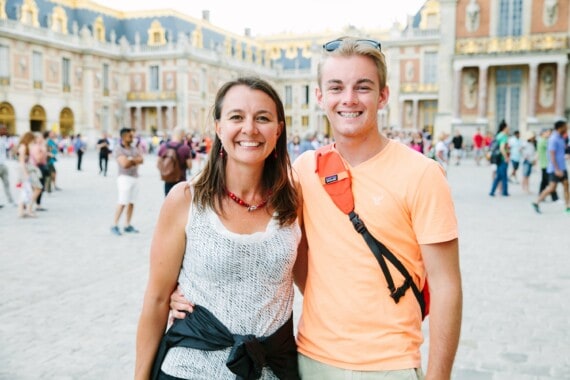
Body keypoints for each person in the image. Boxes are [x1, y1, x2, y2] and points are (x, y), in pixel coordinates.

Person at [172, 37, 462, 379]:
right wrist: (185, 289)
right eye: (336, 87)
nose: (349, 99)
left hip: (390, 363)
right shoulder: (305, 171)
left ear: (383, 95)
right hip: (310, 361)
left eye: (363, 87)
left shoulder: (422, 174)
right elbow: (248, 225)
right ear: (320, 96)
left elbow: (446, 287)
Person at [135, 77, 301, 380]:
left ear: (278, 129)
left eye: (262, 118)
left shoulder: (294, 201)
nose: (249, 128)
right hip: (190, 370)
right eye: (236, 117)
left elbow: (317, 283)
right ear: (218, 127)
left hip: (271, 370)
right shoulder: (185, 200)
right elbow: (158, 299)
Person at [110, 128, 144, 235]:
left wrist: (130, 160)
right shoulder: (118, 149)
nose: (132, 138)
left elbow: (141, 160)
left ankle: (127, 225)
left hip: (134, 177)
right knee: (122, 202)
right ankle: (114, 224)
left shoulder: (134, 148)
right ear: (124, 137)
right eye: (130, 136)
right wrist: (134, 160)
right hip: (124, 178)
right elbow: (124, 164)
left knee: (131, 202)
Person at [532, 120, 570, 214]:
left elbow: (560, 153)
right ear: (560, 127)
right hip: (555, 168)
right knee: (552, 188)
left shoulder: (561, 138)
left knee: (566, 185)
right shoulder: (553, 139)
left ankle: (568, 206)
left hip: (562, 167)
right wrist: (557, 169)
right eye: (565, 126)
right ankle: (536, 202)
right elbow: (551, 155)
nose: (567, 128)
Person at [156, 126, 193, 196]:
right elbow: (190, 166)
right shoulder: (185, 148)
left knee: (168, 201)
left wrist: (167, 171)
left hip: (168, 180)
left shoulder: (163, 146)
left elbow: (158, 164)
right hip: (181, 180)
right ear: (183, 135)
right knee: (180, 204)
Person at [16, 131, 43, 218]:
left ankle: (23, 211)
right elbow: (21, 162)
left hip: (26, 170)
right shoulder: (23, 147)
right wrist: (25, 174)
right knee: (35, 188)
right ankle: (27, 209)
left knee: (26, 191)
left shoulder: (24, 146)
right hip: (26, 170)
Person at [536, 128, 559, 202]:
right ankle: (554, 198)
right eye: (548, 132)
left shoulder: (542, 141)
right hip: (546, 164)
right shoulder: (544, 141)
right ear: (543, 133)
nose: (550, 134)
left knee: (544, 182)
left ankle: (541, 196)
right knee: (551, 182)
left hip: (544, 164)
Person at [489, 120, 510, 197]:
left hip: (497, 158)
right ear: (504, 128)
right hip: (501, 158)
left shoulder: (498, 135)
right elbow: (502, 148)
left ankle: (495, 191)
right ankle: (504, 191)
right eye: (508, 128)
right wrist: (506, 157)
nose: (509, 129)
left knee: (500, 176)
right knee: (502, 176)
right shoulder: (503, 136)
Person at [0, 125, 16, 208]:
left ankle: (11, 200)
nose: (5, 131)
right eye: (3, 130)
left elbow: (8, 148)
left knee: (7, 183)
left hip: (3, 165)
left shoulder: (4, 139)